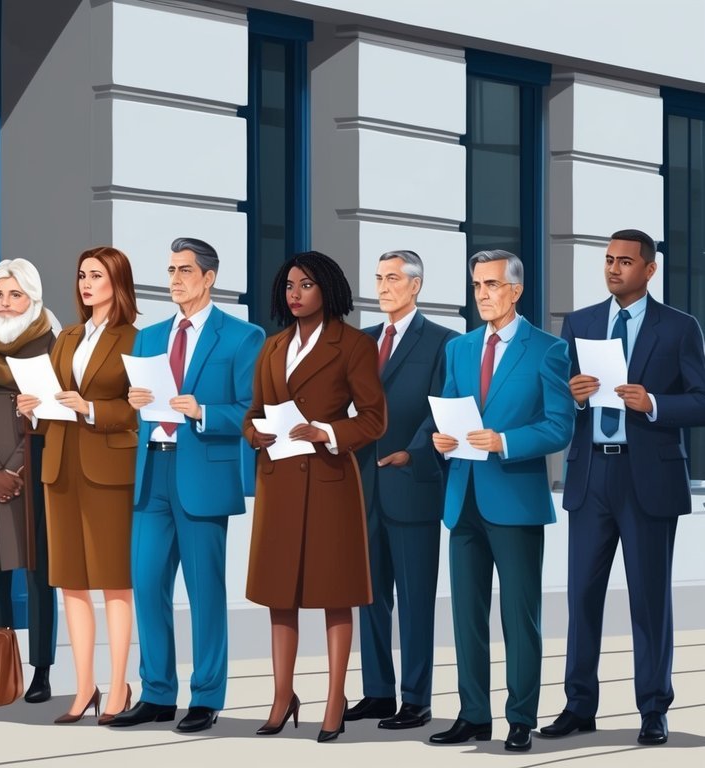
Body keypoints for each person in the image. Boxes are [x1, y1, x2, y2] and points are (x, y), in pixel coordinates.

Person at [543, 229, 705, 747]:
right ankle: (578, 705)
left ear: (649, 269)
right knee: (582, 597)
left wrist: (653, 403)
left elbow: (701, 400)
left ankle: (653, 708)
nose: (614, 269)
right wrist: (576, 396)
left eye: (625, 261)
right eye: (609, 260)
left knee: (649, 600)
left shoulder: (679, 328)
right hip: (592, 475)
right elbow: (563, 400)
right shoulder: (581, 323)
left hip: (648, 477)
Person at [111, 238, 264, 733]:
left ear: (209, 277)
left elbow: (249, 411)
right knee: (148, 584)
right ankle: (156, 693)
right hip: (153, 470)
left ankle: (206, 696)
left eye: (185, 270)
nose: (175, 279)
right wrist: (136, 400)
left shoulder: (242, 337)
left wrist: (203, 411)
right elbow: (138, 399)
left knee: (204, 591)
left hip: (202, 474)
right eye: (171, 269)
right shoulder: (148, 336)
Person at [428, 250, 573, 752]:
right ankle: (472, 715)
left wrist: (505, 441)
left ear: (515, 290)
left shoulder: (548, 350)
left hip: (514, 498)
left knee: (519, 617)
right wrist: (441, 440)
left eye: (491, 285)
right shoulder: (460, 349)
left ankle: (520, 718)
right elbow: (449, 409)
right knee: (466, 616)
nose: (482, 295)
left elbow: (559, 425)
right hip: (463, 496)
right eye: (476, 286)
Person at [242, 250, 386, 743]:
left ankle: (334, 698)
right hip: (279, 482)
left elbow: (373, 419)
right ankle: (283, 696)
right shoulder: (273, 345)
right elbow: (254, 410)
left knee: (334, 594)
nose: (295, 294)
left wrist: (325, 431)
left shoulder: (353, 345)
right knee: (278, 595)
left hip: (328, 481)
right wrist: (253, 433)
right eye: (288, 286)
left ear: (327, 289)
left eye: (305, 285)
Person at [17, 246, 140, 725]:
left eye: (97, 275)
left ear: (118, 282)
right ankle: (84, 684)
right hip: (60, 466)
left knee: (114, 582)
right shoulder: (65, 337)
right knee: (70, 581)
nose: (86, 284)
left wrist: (88, 407)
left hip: (109, 470)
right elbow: (52, 403)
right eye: (82, 275)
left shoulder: (136, 338)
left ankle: (117, 686)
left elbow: (136, 409)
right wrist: (33, 408)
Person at [348, 251, 457, 730]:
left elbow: (443, 404)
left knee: (415, 599)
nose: (383, 286)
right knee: (369, 595)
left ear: (415, 285)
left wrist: (414, 452)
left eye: (393, 278)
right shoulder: (362, 342)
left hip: (411, 483)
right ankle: (377, 691)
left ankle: (416, 698)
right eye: (378, 278)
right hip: (361, 484)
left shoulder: (442, 342)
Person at [0, 258, 61, 703]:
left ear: (32, 299)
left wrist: (17, 468)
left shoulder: (52, 341)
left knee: (39, 573)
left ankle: (41, 670)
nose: (4, 303)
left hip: (33, 467)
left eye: (14, 295)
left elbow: (52, 412)